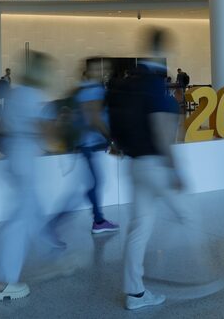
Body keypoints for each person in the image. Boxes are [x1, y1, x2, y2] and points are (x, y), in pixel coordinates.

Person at [108, 28, 185, 310]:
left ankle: (135, 293)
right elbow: (161, 130)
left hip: (134, 164)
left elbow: (112, 120)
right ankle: (214, 271)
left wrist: (119, 144)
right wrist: (175, 169)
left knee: (139, 228)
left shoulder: (126, 83)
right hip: (153, 165)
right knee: (186, 212)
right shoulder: (154, 84)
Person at [0, 52, 58, 302]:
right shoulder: (35, 96)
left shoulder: (15, 94)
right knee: (19, 221)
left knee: (31, 209)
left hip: (13, 158)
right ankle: (4, 282)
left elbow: (3, 127)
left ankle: (52, 250)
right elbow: (45, 131)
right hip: (24, 158)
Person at [74, 63, 119, 234]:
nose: (104, 72)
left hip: (87, 143)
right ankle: (98, 220)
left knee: (95, 182)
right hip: (91, 143)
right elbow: (95, 119)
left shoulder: (82, 90)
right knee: (95, 183)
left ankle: (98, 219)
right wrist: (111, 138)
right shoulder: (93, 90)